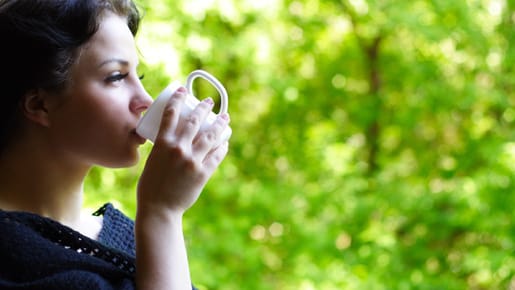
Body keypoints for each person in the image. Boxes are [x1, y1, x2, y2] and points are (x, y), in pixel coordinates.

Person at [0, 0, 231, 289]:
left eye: (139, 76)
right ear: (39, 104)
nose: (145, 99)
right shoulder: (12, 259)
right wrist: (162, 213)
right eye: (116, 77)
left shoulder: (127, 237)